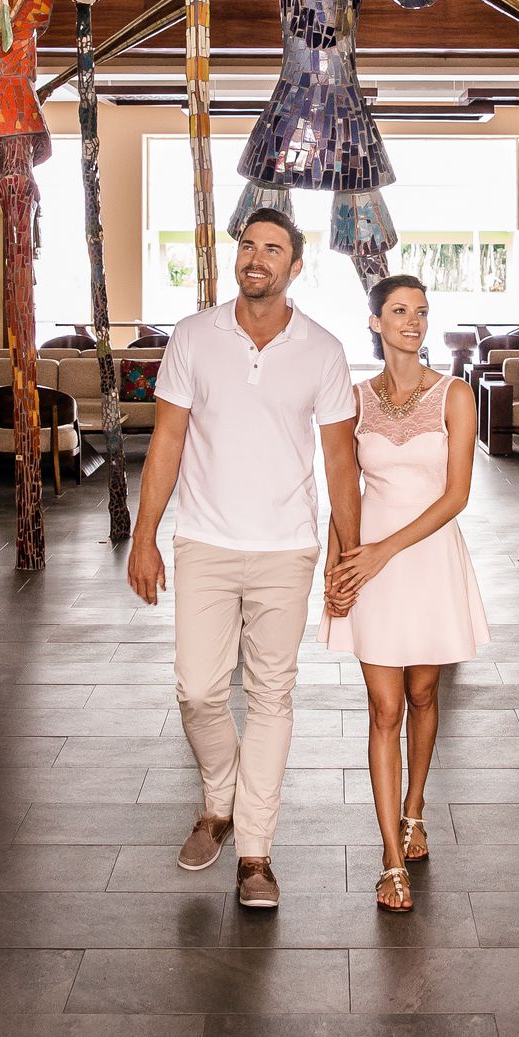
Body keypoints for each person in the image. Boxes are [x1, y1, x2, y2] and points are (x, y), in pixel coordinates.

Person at [125, 207, 359, 913]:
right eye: (249, 246)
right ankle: (218, 798)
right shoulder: (194, 336)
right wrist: (144, 535)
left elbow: (340, 460)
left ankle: (254, 850)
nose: (257, 258)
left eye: (273, 249)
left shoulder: (323, 350)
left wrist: (347, 554)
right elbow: (167, 441)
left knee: (270, 697)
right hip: (204, 540)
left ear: (295, 266)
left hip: (287, 546)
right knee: (198, 691)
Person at [322, 275, 487, 913]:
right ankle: (391, 857)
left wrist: (383, 550)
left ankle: (415, 807)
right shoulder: (354, 400)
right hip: (368, 566)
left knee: (422, 694)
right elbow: (344, 491)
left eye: (421, 311)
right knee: (383, 708)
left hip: (427, 558)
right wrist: (336, 568)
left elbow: (457, 496)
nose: (413, 322)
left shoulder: (454, 395)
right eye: (399, 311)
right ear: (375, 322)